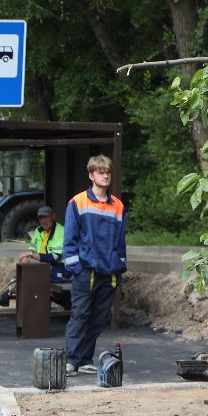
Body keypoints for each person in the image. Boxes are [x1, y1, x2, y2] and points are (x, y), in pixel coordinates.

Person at [62, 154, 127, 374]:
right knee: (80, 315)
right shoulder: (78, 202)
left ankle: (85, 359)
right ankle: (72, 358)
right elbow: (69, 241)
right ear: (91, 175)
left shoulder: (118, 206)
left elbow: (120, 242)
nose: (105, 175)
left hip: (108, 273)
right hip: (86, 272)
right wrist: (77, 268)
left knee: (98, 319)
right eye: (100, 172)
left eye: (107, 172)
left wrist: (119, 268)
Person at [0, 203, 66, 307]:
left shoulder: (60, 231)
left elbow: (54, 257)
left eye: (46, 217)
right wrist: (27, 256)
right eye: (41, 218)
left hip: (59, 268)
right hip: (44, 265)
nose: (44, 221)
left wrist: (30, 254)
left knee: (27, 273)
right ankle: (10, 297)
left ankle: (8, 296)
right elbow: (32, 249)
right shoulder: (39, 231)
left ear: (53, 217)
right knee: (25, 263)